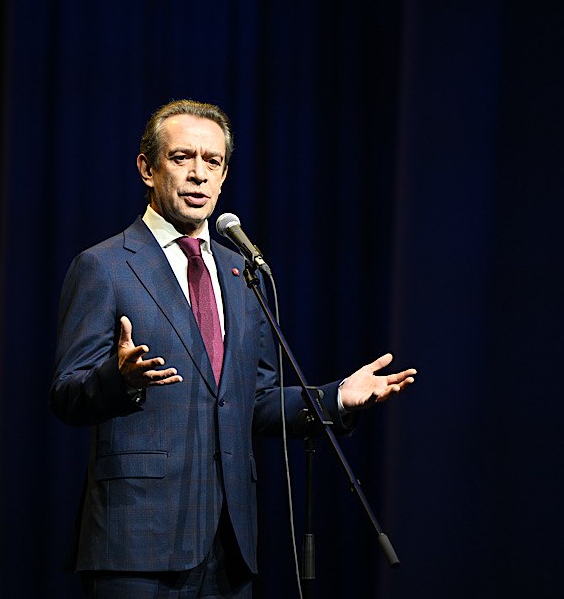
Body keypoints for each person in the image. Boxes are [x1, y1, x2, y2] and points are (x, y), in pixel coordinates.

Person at [50, 98, 416, 597]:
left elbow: (255, 401)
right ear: (147, 169)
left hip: (229, 547)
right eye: (182, 157)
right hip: (136, 541)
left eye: (213, 161)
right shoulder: (104, 266)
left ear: (224, 177)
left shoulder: (244, 274)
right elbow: (66, 395)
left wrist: (335, 398)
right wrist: (119, 379)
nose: (198, 173)